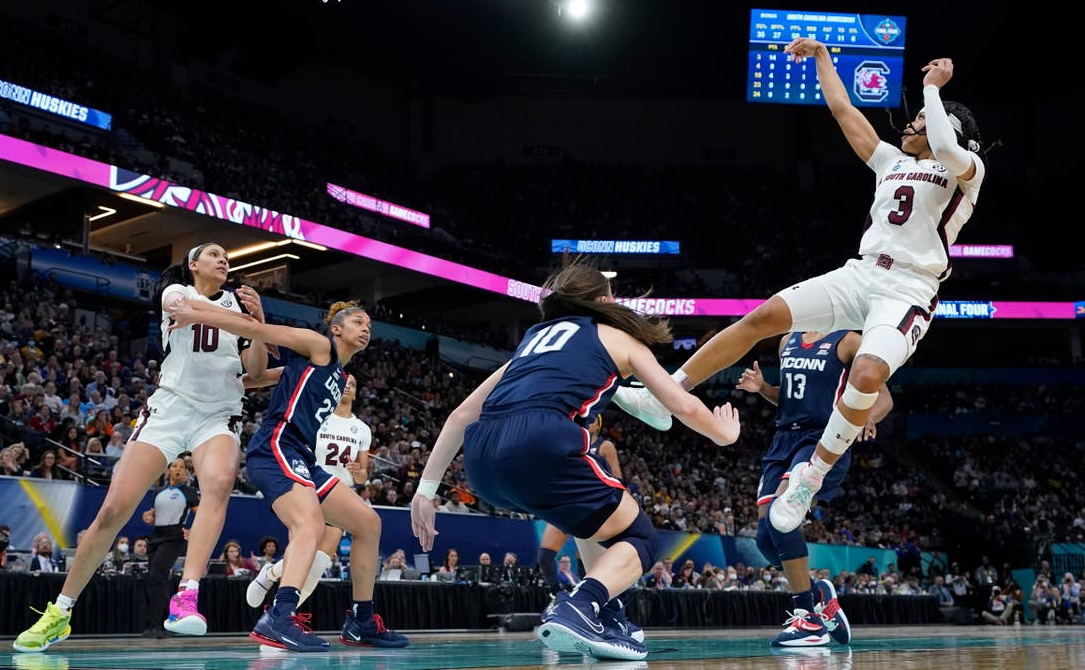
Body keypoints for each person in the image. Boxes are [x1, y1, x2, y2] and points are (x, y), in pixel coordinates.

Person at [617, 45, 987, 535]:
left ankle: (810, 478)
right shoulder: (891, 162)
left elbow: (943, 142)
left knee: (870, 370)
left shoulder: (966, 171)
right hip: (861, 272)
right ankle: (665, 395)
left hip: (908, 288)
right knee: (761, 319)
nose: (912, 124)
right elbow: (843, 111)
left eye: (921, 118)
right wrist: (822, 59)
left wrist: (933, 91)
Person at [411, 263, 740, 661]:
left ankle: (607, 612)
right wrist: (725, 434)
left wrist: (425, 492)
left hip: (481, 462)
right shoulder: (617, 337)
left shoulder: (530, 343)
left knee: (585, 519)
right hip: (541, 442)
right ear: (603, 301)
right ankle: (580, 604)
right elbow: (680, 404)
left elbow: (462, 415)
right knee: (641, 539)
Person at [13, 243, 270, 652]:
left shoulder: (239, 307)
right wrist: (247, 322)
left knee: (219, 485)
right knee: (112, 510)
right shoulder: (175, 292)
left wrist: (258, 321)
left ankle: (187, 595)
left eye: (227, 257)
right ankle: (59, 612)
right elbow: (189, 312)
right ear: (193, 264)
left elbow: (255, 371)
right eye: (215, 255)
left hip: (218, 414)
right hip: (169, 409)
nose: (224, 260)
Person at [166, 298, 408, 652]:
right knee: (309, 525)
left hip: (302, 457)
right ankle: (279, 617)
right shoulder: (319, 345)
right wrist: (196, 314)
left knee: (368, 524)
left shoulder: (337, 374)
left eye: (369, 324)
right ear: (337, 328)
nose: (366, 328)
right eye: (358, 321)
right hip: (276, 446)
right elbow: (254, 330)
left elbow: (258, 378)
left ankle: (361, 621)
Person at [735, 330, 893, 647]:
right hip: (783, 439)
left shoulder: (848, 341)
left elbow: (884, 398)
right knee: (766, 538)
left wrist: (865, 418)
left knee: (783, 514)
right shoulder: (787, 341)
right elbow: (791, 396)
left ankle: (808, 619)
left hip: (823, 439)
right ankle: (817, 592)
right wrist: (763, 387)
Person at [245, 374, 373, 612]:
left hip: (339, 496)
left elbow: (363, 476)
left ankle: (275, 607)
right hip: (308, 488)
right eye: (344, 381)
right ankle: (278, 612)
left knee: (317, 565)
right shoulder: (319, 418)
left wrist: (359, 472)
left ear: (356, 393)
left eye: (353, 384)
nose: (347, 386)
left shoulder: (362, 429)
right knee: (304, 555)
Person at [537, 413, 620, 591]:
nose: (588, 423)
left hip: (593, 508)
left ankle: (590, 603)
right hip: (566, 506)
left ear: (598, 425)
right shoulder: (568, 443)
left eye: (592, 420)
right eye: (584, 420)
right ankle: (556, 595)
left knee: (591, 564)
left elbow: (618, 479)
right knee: (545, 557)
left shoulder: (605, 446)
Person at [140, 457, 199, 638]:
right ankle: (165, 622)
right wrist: (148, 517)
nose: (178, 470)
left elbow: (204, 515)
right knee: (154, 580)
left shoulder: (189, 492)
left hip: (174, 537)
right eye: (174, 466)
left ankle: (157, 625)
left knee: (157, 575)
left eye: (182, 467)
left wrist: (192, 531)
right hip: (157, 535)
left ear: (185, 472)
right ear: (168, 470)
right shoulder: (158, 491)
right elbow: (154, 515)